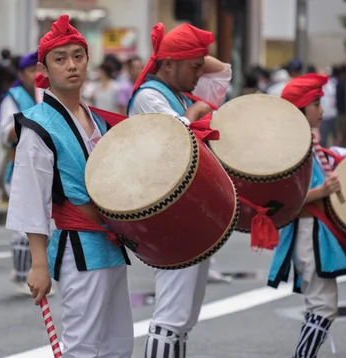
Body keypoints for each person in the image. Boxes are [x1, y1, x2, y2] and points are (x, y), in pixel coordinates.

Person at [5, 15, 134, 357]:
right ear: (43, 68)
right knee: (83, 346)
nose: (71, 65)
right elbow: (31, 197)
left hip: (109, 240)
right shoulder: (37, 125)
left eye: (78, 56)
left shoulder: (97, 118)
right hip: (78, 246)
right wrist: (38, 264)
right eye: (60, 59)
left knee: (118, 344)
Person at [127, 22, 232, 357]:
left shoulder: (178, 91)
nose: (201, 73)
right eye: (194, 66)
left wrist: (191, 53)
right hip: (169, 215)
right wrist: (198, 111)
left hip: (186, 211)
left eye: (201, 66)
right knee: (171, 317)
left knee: (184, 318)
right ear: (168, 65)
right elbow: (178, 140)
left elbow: (223, 71)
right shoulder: (149, 96)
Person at [268, 74, 346, 358]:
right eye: (316, 103)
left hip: (314, 233)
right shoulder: (295, 149)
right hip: (309, 233)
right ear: (302, 109)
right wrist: (323, 190)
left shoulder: (306, 145)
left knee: (321, 307)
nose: (322, 110)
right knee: (323, 307)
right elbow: (287, 201)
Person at [0, 51, 45, 294]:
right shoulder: (12, 97)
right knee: (26, 223)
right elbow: (6, 134)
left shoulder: (47, 93)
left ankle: (37, 271)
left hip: (46, 166)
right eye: (31, 71)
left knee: (46, 222)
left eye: (39, 71)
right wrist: (32, 118)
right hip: (20, 166)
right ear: (22, 74)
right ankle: (24, 275)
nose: (36, 76)